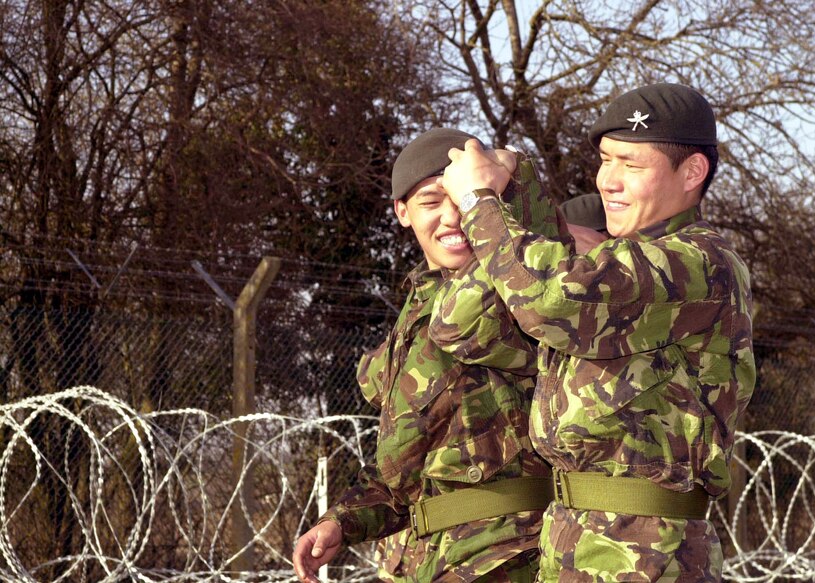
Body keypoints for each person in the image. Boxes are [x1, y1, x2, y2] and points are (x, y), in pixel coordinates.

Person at [432, 83, 756, 581]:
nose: (609, 181)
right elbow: (460, 330)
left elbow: (547, 301)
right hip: (569, 539)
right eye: (606, 160)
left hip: (646, 554)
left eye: (632, 164)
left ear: (692, 172)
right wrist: (517, 189)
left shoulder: (699, 263)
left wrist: (481, 203)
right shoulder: (601, 269)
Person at [292, 128, 554, 583]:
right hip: (425, 562)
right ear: (402, 212)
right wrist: (342, 522)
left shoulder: (519, 292)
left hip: (508, 554)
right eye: (432, 202)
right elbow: (404, 473)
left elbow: (546, 249)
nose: (453, 218)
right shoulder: (411, 318)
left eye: (462, 198)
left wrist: (511, 168)